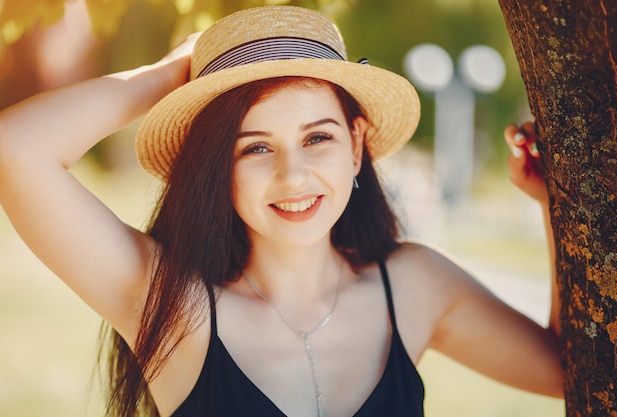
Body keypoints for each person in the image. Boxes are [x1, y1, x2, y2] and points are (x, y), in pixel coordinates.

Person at [0, 5, 562, 417]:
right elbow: (16, 150)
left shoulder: (416, 286)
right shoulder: (169, 302)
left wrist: (551, 209)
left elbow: (566, 370)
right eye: (255, 147)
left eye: (317, 139)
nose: (293, 177)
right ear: (217, 168)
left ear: (357, 143)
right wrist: (168, 78)